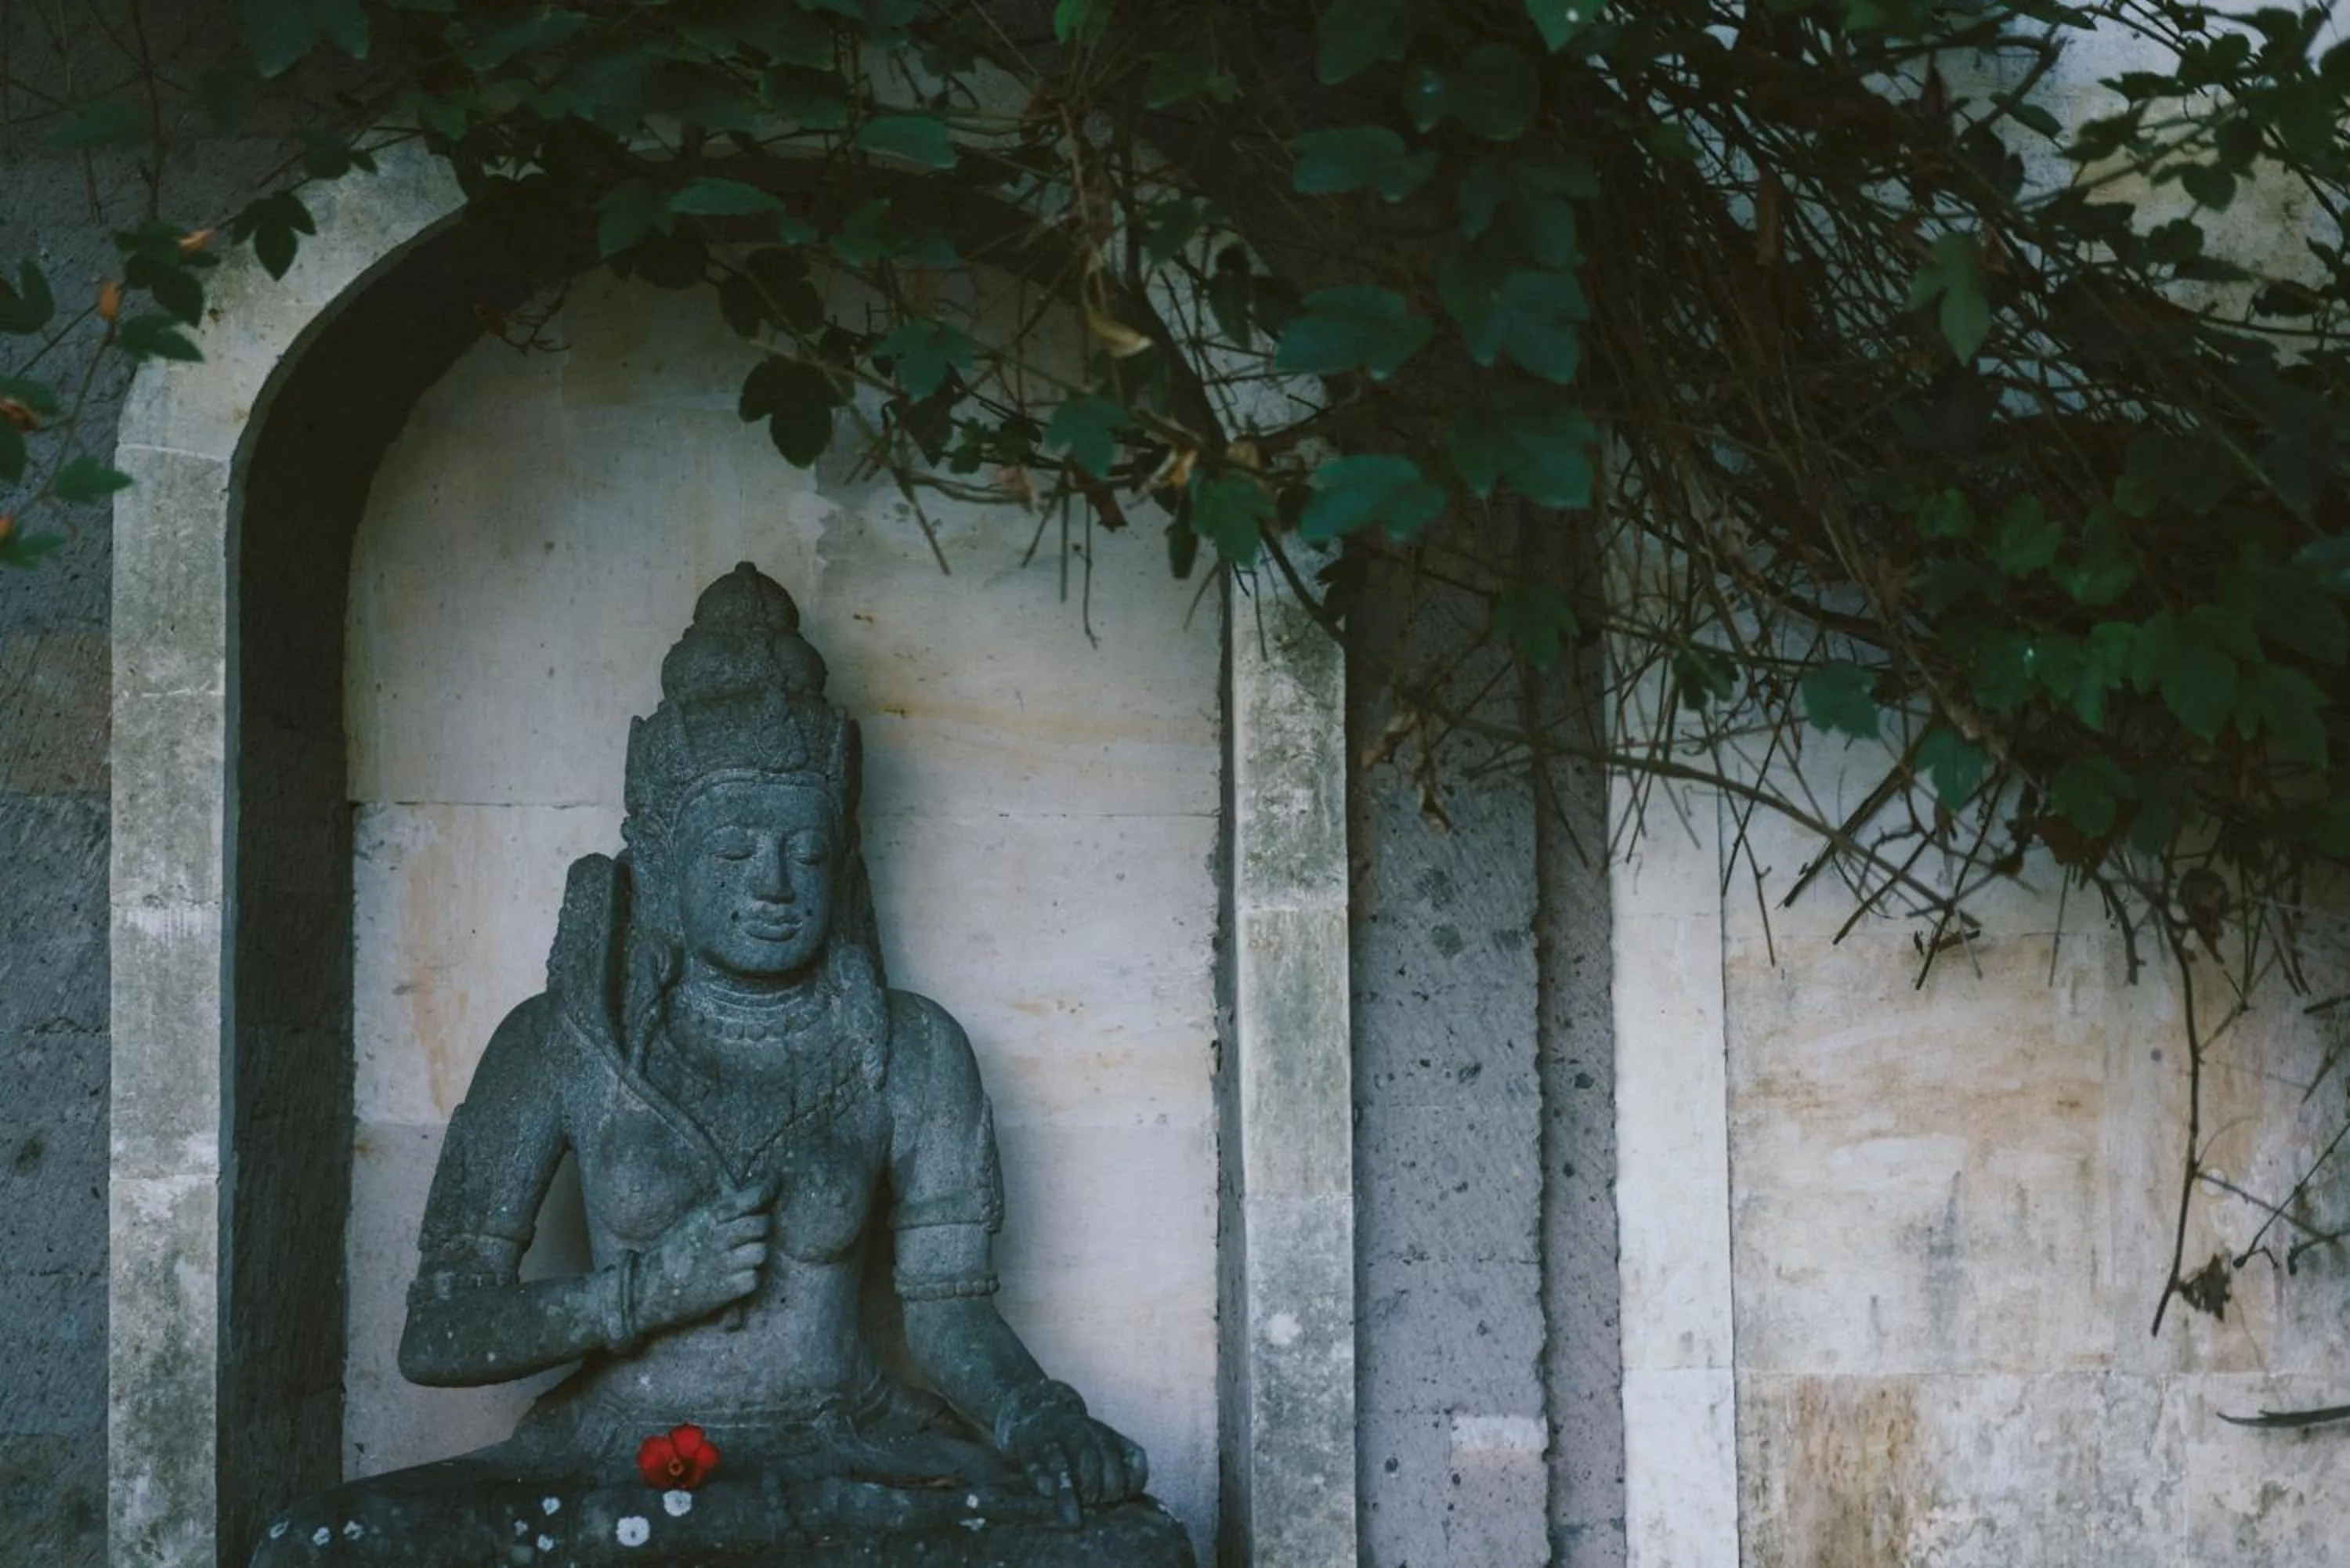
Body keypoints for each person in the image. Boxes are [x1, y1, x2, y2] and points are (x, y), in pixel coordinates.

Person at [254, 564, 1192, 1566]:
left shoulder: (913, 1049)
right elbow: (439, 1331)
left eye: (806, 851)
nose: (775, 884)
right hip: (616, 1451)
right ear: (662, 862)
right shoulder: (561, 1041)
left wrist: (1038, 1416)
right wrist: (639, 1294)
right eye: (735, 850)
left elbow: (949, 1309)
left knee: (1135, 1549)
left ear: (844, 860)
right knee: (320, 1545)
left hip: (845, 1447)